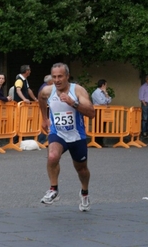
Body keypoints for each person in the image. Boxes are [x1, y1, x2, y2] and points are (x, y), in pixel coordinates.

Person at [38, 62, 95, 212]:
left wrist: (73, 103)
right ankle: (53, 189)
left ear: (67, 76)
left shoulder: (78, 91)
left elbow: (91, 113)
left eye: (60, 77)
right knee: (52, 157)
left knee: (82, 170)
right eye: (54, 77)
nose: (57, 80)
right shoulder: (48, 90)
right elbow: (41, 97)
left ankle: (84, 192)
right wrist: (44, 118)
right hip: (58, 134)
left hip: (77, 136)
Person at [91, 79, 112, 146]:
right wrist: (106, 100)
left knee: (103, 126)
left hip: (104, 111)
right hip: (98, 111)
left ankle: (101, 142)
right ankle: (96, 141)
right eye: (106, 85)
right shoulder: (96, 93)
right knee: (98, 126)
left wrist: (106, 94)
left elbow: (110, 100)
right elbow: (101, 102)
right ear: (103, 85)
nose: (106, 86)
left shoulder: (104, 92)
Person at [37, 74, 53, 144]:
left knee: (45, 122)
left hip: (46, 108)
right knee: (45, 122)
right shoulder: (45, 88)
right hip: (45, 109)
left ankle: (43, 139)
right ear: (50, 81)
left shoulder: (45, 87)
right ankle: (42, 139)